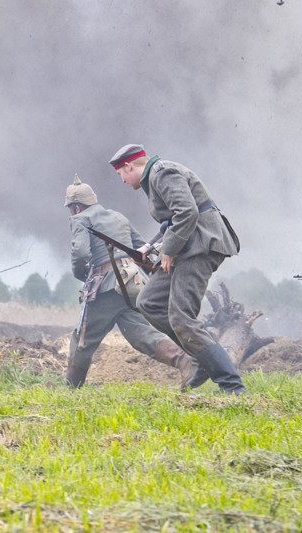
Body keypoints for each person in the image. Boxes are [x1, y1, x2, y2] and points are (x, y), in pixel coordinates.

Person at [108, 145, 246, 395]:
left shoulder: (162, 173)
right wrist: (149, 247)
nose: (124, 181)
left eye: (121, 175)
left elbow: (187, 212)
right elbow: (170, 222)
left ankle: (233, 386)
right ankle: (202, 357)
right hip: (188, 246)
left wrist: (168, 251)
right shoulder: (155, 178)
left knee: (181, 316)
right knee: (149, 302)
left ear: (129, 166)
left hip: (200, 246)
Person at [65, 175, 207, 390]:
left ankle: (70, 390)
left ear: (76, 207)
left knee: (82, 338)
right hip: (133, 285)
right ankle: (183, 360)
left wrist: (80, 274)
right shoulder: (118, 217)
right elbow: (143, 248)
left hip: (106, 288)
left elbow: (80, 253)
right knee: (140, 333)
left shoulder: (80, 219)